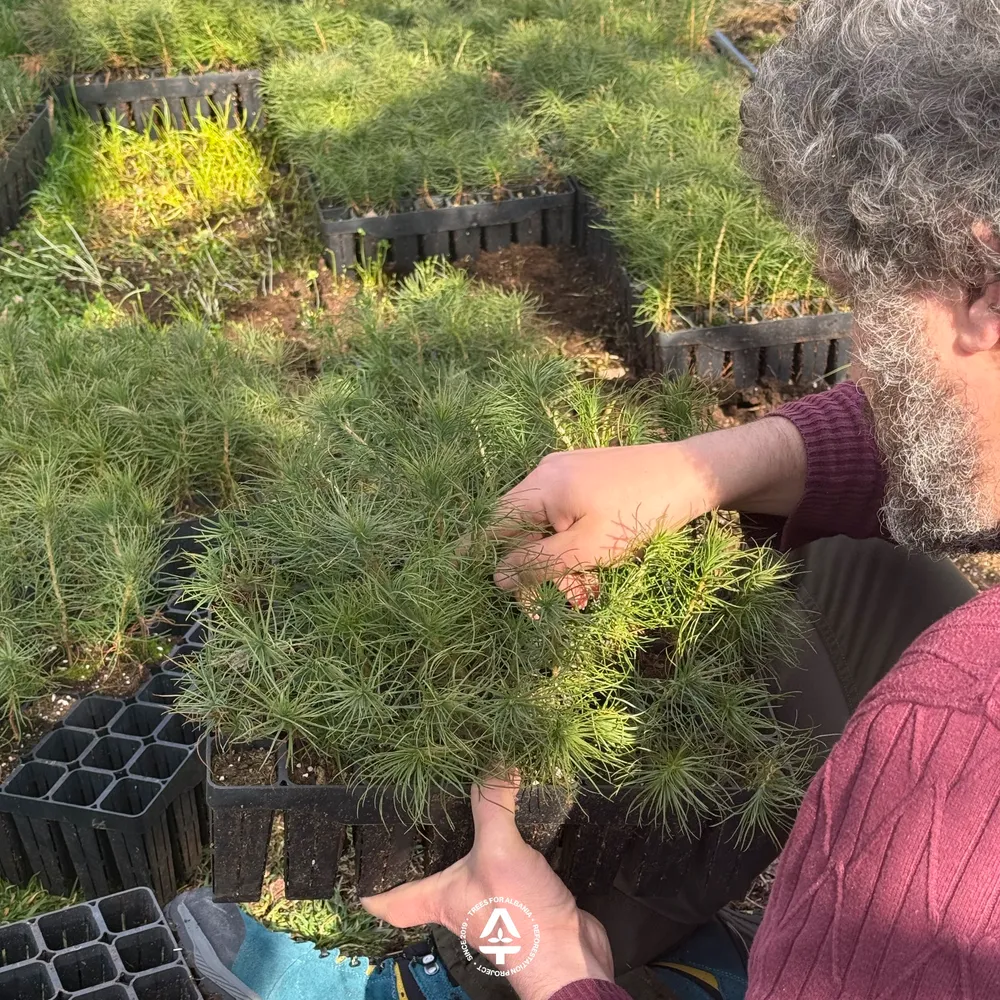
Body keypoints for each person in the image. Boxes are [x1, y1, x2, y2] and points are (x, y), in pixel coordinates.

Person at [171, 2, 1000, 998]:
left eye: (865, 311)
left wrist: (552, 960)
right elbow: (931, 435)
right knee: (872, 572)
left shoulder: (957, 738)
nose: (860, 356)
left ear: (983, 280)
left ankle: (562, 954)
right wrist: (711, 464)